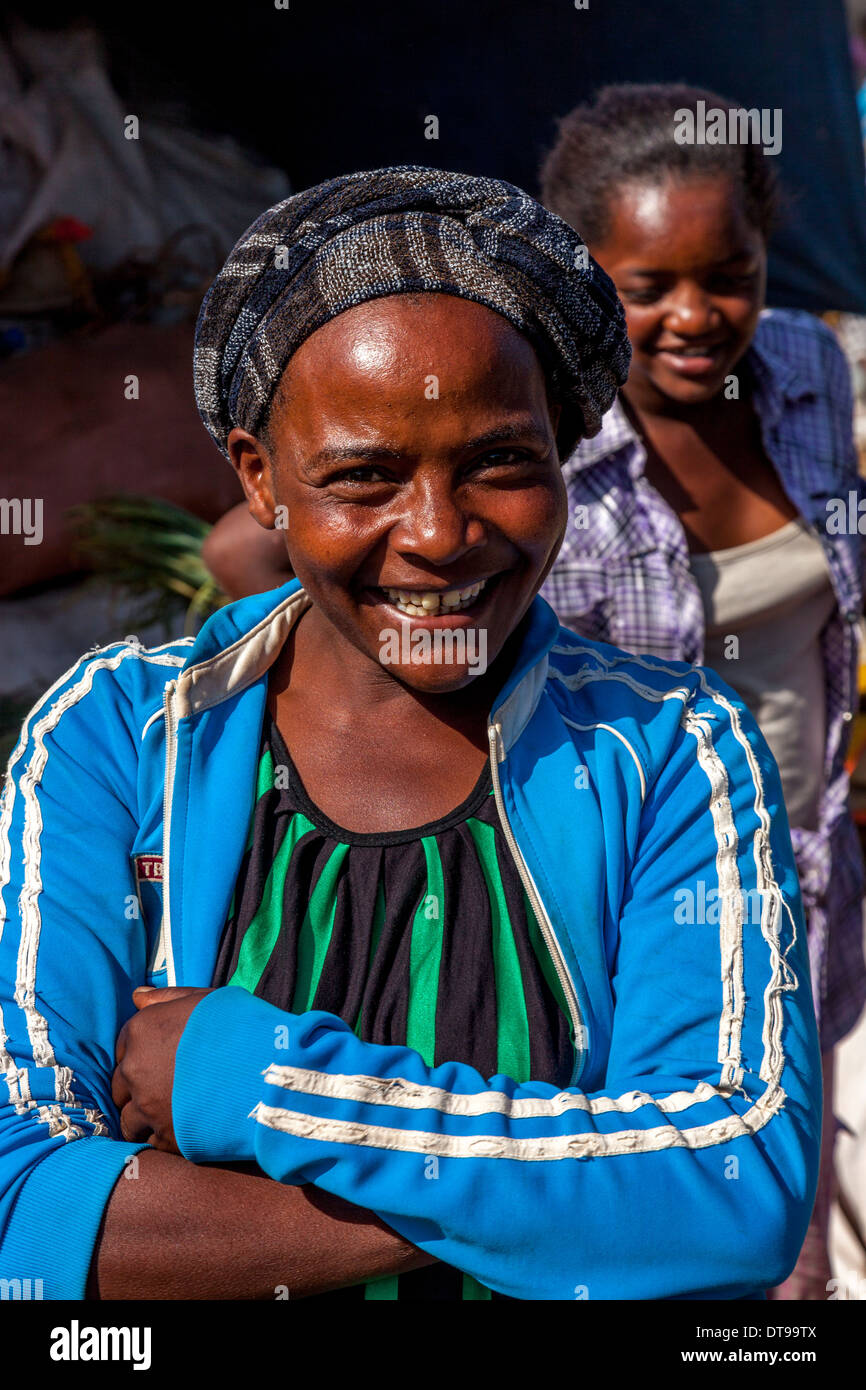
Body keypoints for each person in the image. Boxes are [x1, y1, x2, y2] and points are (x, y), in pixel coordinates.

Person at [0, 166, 821, 1301]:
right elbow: (28, 1216)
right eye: (363, 477)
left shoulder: (670, 748)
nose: (437, 534)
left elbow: (735, 1194)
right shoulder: (119, 735)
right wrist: (554, 1204)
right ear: (260, 478)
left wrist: (256, 1081)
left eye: (499, 462)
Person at [537, 83, 866, 1298]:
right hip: (642, 915)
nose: (695, 316)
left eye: (726, 273)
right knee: (714, 1242)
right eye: (644, 288)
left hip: (823, 871)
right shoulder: (542, 440)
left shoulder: (808, 371)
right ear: (585, 278)